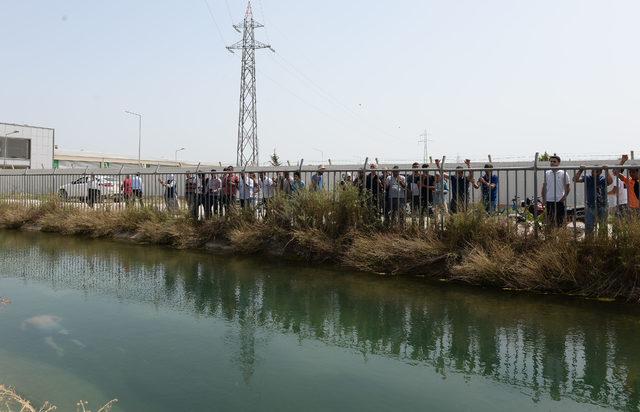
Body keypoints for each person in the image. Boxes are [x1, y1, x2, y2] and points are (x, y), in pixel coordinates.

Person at [574, 165, 612, 234]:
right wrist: (581, 170)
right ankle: (589, 242)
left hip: (603, 205)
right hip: (591, 205)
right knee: (589, 226)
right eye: (593, 171)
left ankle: (603, 241)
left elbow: (610, 182)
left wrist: (606, 171)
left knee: (603, 225)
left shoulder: (602, 179)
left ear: (600, 172)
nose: (594, 172)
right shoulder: (588, 178)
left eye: (596, 171)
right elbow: (575, 179)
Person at [541, 155, 571, 228]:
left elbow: (568, 187)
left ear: (558, 163)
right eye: (551, 161)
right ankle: (551, 238)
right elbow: (544, 186)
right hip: (549, 201)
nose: (552, 163)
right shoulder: (547, 173)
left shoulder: (564, 173)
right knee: (550, 221)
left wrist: (563, 198)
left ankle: (560, 237)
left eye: (554, 161)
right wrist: (543, 199)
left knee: (560, 221)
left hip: (559, 201)